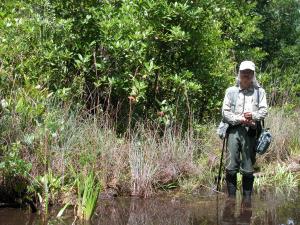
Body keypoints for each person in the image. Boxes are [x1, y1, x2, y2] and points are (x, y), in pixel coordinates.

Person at [221, 60, 268, 200]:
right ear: (239, 73)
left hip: (251, 132)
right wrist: (240, 119)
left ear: (253, 74)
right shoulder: (230, 91)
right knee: (230, 167)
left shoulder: (260, 92)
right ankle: (231, 200)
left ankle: (247, 203)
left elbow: (264, 111)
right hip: (233, 131)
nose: (246, 75)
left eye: (249, 72)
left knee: (248, 169)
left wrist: (252, 115)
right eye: (243, 72)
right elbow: (225, 112)